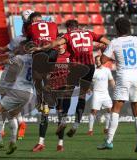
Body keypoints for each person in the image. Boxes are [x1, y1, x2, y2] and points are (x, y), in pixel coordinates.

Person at [30, 19, 110, 138]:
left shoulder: (68, 35)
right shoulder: (89, 33)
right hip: (89, 67)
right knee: (82, 96)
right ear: (78, 26)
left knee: (67, 93)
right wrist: (105, 51)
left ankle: (63, 121)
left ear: (68, 28)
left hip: (76, 67)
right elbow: (107, 42)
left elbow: (54, 44)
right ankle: (76, 125)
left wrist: (40, 49)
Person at [97, 17, 137, 153]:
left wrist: (106, 51)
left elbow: (102, 60)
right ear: (129, 28)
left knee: (115, 110)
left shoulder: (115, 42)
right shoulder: (136, 40)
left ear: (117, 29)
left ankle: (109, 141)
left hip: (123, 77)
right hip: (136, 77)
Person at [0, 15, 32, 143]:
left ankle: (3, 129)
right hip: (22, 76)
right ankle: (19, 123)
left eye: (23, 26)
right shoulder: (33, 42)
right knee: (11, 100)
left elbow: (1, 50)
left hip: (11, 70)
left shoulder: (18, 40)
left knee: (4, 99)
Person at [0, 40, 34, 155]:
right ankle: (12, 142)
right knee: (12, 115)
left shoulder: (20, 58)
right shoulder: (37, 61)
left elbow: (6, 61)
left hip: (17, 91)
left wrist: (12, 56)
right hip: (29, 93)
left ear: (25, 48)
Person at [25, 12, 59, 152]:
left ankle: (42, 97)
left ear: (33, 20)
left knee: (37, 77)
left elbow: (29, 43)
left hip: (41, 56)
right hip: (55, 57)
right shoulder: (53, 25)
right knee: (49, 112)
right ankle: (42, 142)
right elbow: (57, 40)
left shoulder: (30, 27)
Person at [32, 42, 70, 152]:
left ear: (65, 45)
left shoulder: (70, 56)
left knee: (61, 117)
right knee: (45, 114)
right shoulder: (51, 57)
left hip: (63, 91)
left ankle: (60, 144)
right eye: (58, 45)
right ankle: (40, 143)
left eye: (61, 44)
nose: (59, 46)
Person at [87, 55, 115, 136]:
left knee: (110, 110)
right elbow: (87, 81)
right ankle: (90, 130)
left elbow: (111, 80)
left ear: (102, 61)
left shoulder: (107, 70)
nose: (98, 61)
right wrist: (88, 88)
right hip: (96, 93)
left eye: (99, 60)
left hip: (105, 93)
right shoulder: (93, 71)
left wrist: (115, 88)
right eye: (96, 60)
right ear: (95, 61)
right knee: (94, 111)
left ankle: (106, 128)